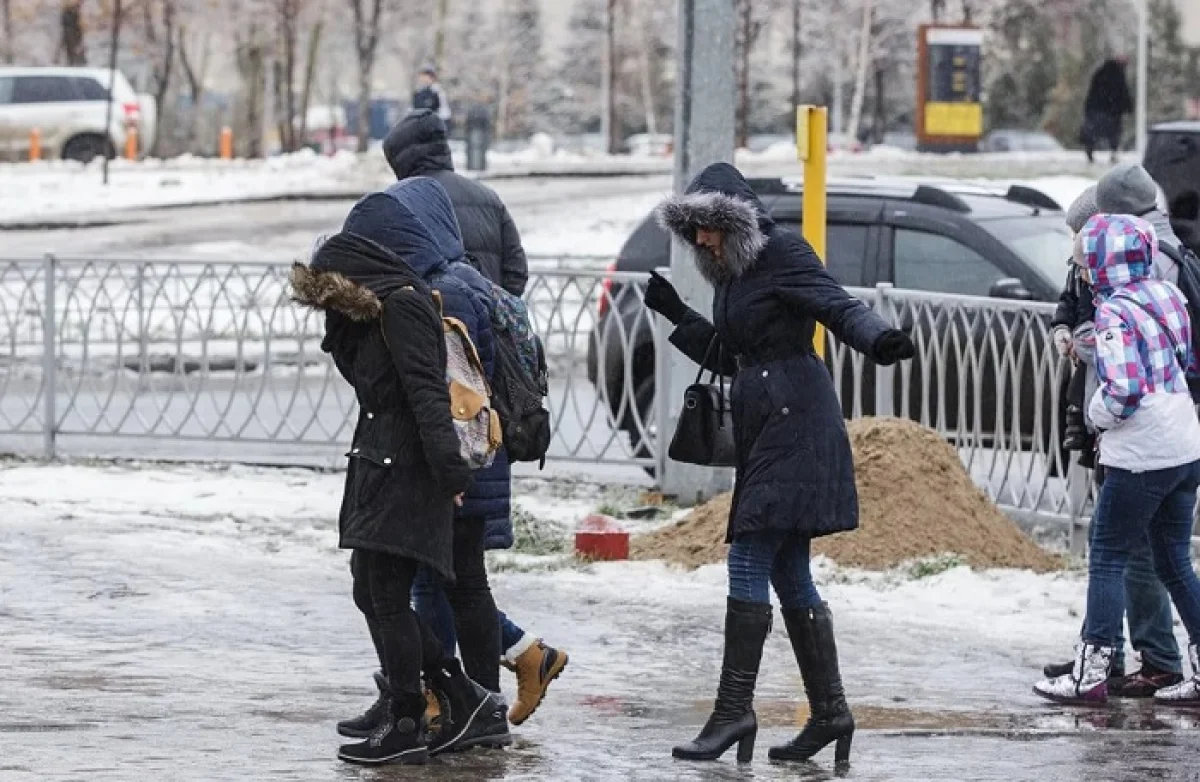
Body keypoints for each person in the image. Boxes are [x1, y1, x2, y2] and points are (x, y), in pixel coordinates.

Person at [644, 162, 915, 765]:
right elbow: (731, 352)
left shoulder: (784, 252)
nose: (701, 241)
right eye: (692, 232)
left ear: (734, 220)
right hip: (769, 424)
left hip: (798, 421)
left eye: (709, 228)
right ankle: (830, 712)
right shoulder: (730, 274)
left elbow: (838, 307)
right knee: (789, 569)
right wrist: (675, 314)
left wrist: (879, 340)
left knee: (747, 555)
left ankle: (733, 711)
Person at [381, 107, 567, 726]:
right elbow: (514, 280)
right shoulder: (488, 199)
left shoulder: (406, 211)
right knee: (455, 570)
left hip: (448, 409)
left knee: (441, 572)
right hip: (488, 413)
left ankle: (457, 700)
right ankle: (484, 682)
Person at [290, 228, 503, 764]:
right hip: (378, 463)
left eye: (335, 294)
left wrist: (451, 475)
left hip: (409, 468)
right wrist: (340, 321)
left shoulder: (405, 308)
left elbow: (428, 396)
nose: (333, 305)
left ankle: (409, 718)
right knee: (369, 589)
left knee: (385, 592)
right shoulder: (374, 313)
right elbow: (368, 384)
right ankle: (456, 693)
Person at [1034, 214, 1200, 707]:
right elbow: (1185, 360)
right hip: (1184, 441)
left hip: (1140, 450)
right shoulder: (1168, 296)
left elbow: (1123, 391)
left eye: (1090, 262)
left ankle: (1091, 673)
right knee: (1175, 562)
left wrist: (1095, 413)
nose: (1084, 272)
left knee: (1106, 557)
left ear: (1107, 262)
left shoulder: (1113, 314)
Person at [1054, 186, 1102, 456]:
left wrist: (1082, 344)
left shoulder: (1113, 274)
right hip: (1082, 353)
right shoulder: (1077, 268)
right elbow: (1068, 299)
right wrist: (1061, 327)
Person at [1081, 56, 1133, 164]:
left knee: (1093, 132)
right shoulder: (1118, 76)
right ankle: (1113, 153)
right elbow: (1123, 93)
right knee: (1113, 134)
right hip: (1112, 112)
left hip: (1096, 109)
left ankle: (1090, 151)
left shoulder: (1100, 73)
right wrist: (1128, 107)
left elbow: (1092, 92)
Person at [412, 66, 452, 134]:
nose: (422, 79)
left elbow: (443, 111)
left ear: (431, 78)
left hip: (434, 126)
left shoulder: (438, 92)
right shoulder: (418, 93)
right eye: (421, 77)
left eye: (425, 76)